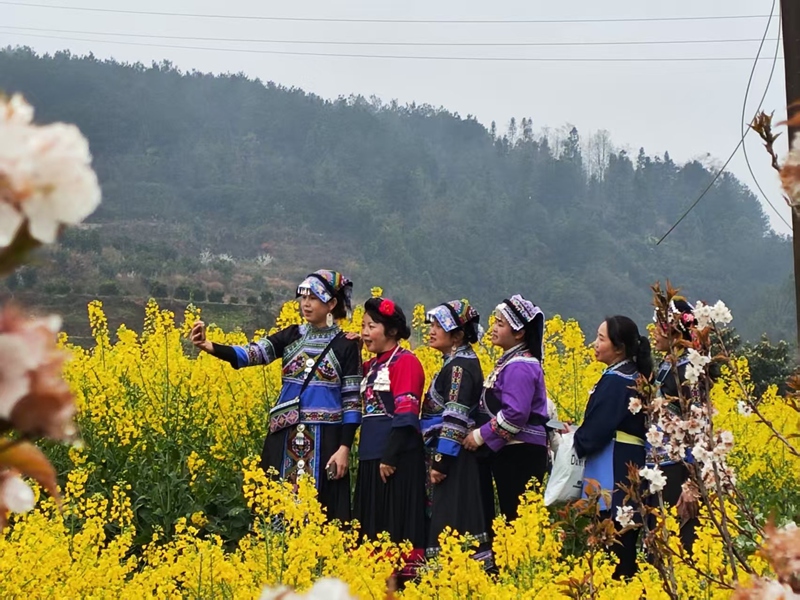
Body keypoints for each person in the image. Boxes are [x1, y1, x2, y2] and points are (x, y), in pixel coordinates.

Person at [189, 269, 361, 523]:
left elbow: (352, 402)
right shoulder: (291, 336)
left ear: (331, 304)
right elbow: (253, 354)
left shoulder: (346, 345)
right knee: (276, 504)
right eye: (303, 298)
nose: (306, 304)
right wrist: (209, 346)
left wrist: (344, 448)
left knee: (322, 512)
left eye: (314, 298)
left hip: (326, 439)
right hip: (285, 436)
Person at [573, 315, 653, 579]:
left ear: (619, 348)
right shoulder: (630, 375)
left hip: (616, 467)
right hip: (628, 463)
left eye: (601, 338)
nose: (594, 344)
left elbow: (596, 430)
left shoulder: (618, 380)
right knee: (622, 542)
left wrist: (575, 438)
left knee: (615, 544)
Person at [463, 294, 550, 534]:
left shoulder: (520, 365)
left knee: (517, 519)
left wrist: (479, 437)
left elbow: (515, 414)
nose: (493, 328)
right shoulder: (512, 361)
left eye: (500, 324)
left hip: (520, 452)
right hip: (512, 450)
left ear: (519, 333)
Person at [354, 297, 426, 582]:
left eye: (371, 326)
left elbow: (406, 415)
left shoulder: (405, 362)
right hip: (371, 456)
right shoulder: (372, 366)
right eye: (362, 326)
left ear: (392, 331)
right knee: (373, 524)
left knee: (395, 523)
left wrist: (390, 456)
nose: (364, 333)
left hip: (396, 460)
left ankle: (400, 582)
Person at [420, 300, 492, 567]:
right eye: (433, 324)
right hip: (450, 454)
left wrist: (441, 461)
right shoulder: (457, 361)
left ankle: (456, 575)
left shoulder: (459, 366)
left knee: (452, 517)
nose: (432, 330)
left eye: (440, 326)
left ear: (458, 335)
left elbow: (455, 416)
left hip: (454, 458)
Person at [650, 297, 699, 552]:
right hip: (658, 467)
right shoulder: (666, 367)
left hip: (679, 469)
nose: (654, 332)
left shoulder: (689, 370)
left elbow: (699, 424)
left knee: (681, 542)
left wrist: (692, 484)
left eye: (659, 326)